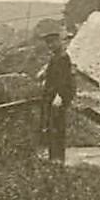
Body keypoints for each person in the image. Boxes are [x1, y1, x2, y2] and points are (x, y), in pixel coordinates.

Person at [36, 20, 73, 163]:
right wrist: (44, 74)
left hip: (58, 97)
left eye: (53, 42)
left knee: (57, 127)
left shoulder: (63, 58)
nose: (51, 45)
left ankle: (58, 158)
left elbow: (64, 79)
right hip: (50, 96)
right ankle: (54, 157)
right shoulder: (55, 58)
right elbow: (51, 74)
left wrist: (60, 96)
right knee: (51, 127)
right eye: (48, 43)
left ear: (59, 41)